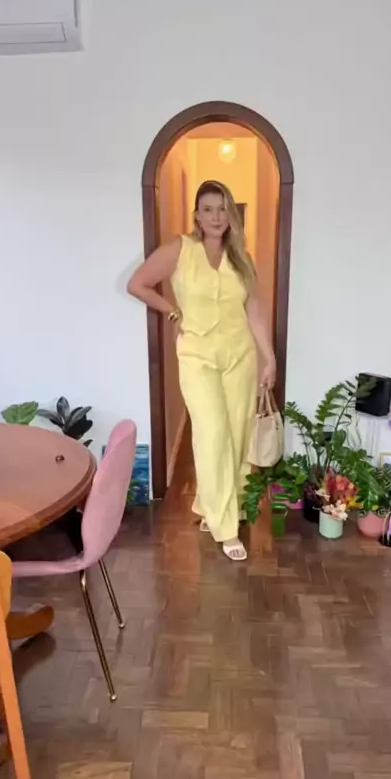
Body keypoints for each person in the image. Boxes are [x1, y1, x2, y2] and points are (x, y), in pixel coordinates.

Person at [127, 180, 276, 561]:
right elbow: (138, 284)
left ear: (231, 214)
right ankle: (226, 528)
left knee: (237, 435)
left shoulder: (241, 257)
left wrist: (269, 356)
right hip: (197, 356)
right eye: (208, 209)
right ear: (196, 215)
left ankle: (218, 506)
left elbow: (254, 310)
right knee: (212, 435)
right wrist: (172, 311)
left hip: (239, 355)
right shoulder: (180, 249)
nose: (216, 216)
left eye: (222, 208)